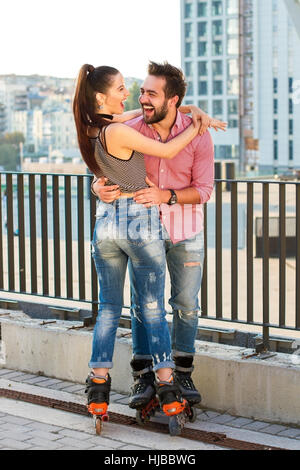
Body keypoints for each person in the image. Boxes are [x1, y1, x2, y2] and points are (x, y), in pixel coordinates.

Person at [72, 63, 208, 420]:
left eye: (144, 91)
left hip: (105, 225)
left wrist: (191, 111)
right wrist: (194, 126)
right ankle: (166, 382)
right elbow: (164, 151)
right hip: (138, 222)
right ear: (102, 96)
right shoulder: (120, 130)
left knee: (107, 309)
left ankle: (98, 385)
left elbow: (128, 117)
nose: (130, 94)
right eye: (121, 88)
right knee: (151, 308)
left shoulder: (92, 126)